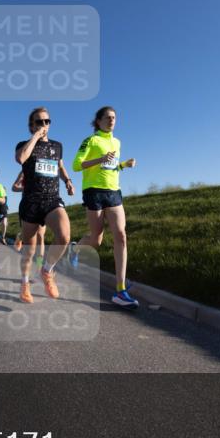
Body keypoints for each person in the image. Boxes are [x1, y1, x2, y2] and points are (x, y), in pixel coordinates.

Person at [70, 106, 139, 308]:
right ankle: (75, 249)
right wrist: (100, 158)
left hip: (114, 191)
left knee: (121, 235)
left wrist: (124, 164)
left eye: (114, 117)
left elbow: (112, 166)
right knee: (97, 239)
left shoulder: (117, 142)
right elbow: (76, 165)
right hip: (93, 191)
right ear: (98, 121)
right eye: (108, 117)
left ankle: (120, 290)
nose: (112, 120)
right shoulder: (90, 140)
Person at [15, 107, 75, 303]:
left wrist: (67, 181)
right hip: (31, 202)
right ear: (31, 125)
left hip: (52, 199)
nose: (44, 125)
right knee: (29, 250)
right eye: (39, 122)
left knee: (64, 235)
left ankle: (47, 271)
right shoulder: (24, 144)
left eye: (47, 121)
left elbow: (60, 165)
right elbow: (21, 158)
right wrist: (35, 137)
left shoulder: (58, 146)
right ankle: (24, 284)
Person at [11, 172, 45, 265]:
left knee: (40, 236)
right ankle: (21, 236)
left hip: (43, 204)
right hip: (28, 205)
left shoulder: (44, 166)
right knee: (29, 236)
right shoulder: (24, 171)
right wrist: (26, 188)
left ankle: (39, 267)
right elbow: (14, 187)